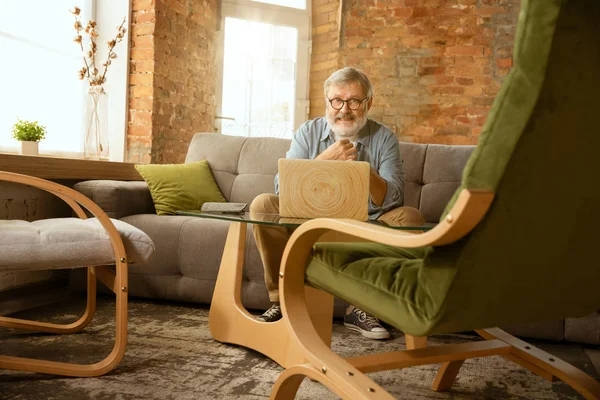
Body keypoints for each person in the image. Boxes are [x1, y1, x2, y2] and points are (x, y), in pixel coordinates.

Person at [250, 66, 425, 340]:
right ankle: (282, 300)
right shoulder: (308, 132)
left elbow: (394, 198)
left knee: (410, 217)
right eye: (337, 100)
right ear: (327, 102)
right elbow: (282, 189)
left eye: (354, 101)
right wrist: (325, 160)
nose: (345, 109)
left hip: (363, 225)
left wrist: (364, 171)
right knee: (263, 204)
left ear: (369, 103)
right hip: (308, 221)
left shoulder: (384, 138)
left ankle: (363, 308)